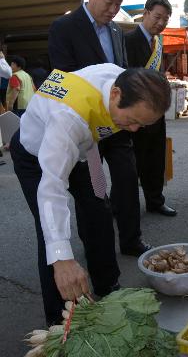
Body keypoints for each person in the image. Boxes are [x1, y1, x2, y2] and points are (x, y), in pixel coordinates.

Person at [9, 63, 171, 326]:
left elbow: (92, 137)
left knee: (99, 207)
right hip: (35, 155)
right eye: (131, 120)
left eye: (141, 124)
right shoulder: (69, 118)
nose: (132, 130)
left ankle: (108, 286)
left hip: (85, 150)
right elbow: (52, 189)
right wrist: (63, 259)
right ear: (116, 94)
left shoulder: (119, 78)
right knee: (50, 233)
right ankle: (60, 320)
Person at [49, 0, 150, 256]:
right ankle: (95, 245)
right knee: (94, 189)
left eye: (119, 3)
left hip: (117, 124)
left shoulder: (117, 30)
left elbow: (124, 72)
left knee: (128, 179)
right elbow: (64, 76)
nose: (114, 9)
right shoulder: (64, 27)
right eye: (109, 2)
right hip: (86, 126)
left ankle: (132, 240)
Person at [125, 0, 177, 216]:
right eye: (157, 17)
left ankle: (155, 201)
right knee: (132, 161)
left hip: (156, 112)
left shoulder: (159, 42)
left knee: (156, 159)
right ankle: (126, 206)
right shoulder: (127, 39)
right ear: (145, 13)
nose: (161, 23)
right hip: (136, 112)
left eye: (165, 19)